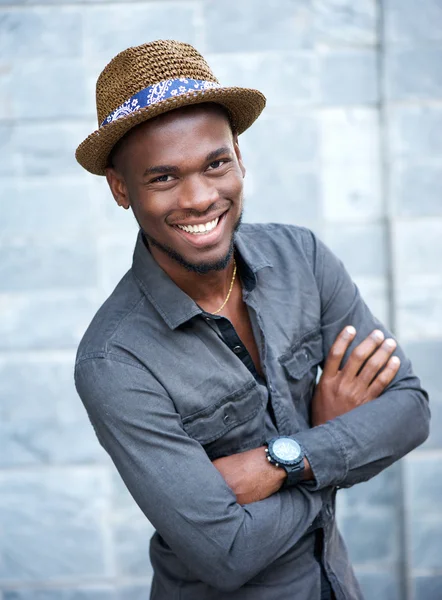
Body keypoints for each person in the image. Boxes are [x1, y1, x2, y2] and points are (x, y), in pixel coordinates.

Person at [74, 40, 430, 600]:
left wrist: (284, 460)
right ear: (122, 189)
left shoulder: (303, 261)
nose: (199, 198)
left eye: (215, 164)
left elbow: (409, 411)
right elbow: (227, 553)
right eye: (163, 178)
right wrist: (332, 444)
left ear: (239, 155)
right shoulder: (115, 360)